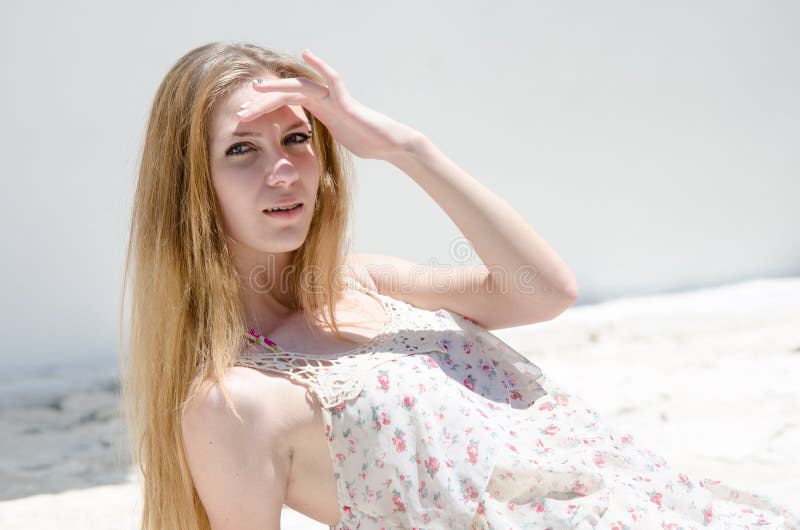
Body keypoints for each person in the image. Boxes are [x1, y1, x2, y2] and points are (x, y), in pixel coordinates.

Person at [120, 41, 799, 530]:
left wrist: (408, 151)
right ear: (191, 187)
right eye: (242, 149)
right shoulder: (232, 402)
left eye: (298, 140)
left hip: (664, 505)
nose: (284, 171)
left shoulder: (362, 281)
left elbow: (542, 292)